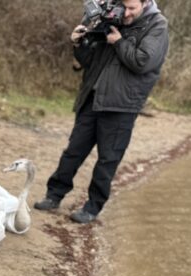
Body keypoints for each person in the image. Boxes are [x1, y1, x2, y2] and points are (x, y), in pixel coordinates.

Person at [34, 0, 168, 223]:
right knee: (73, 151)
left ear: (145, 3)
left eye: (132, 8)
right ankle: (53, 195)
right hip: (92, 98)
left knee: (107, 161)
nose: (126, 13)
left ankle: (92, 208)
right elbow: (88, 61)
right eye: (123, 6)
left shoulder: (157, 25)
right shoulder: (112, 15)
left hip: (121, 106)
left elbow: (143, 62)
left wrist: (118, 41)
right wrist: (79, 43)